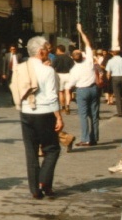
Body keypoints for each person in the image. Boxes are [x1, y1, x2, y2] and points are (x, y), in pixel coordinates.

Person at [12, 35, 63, 199]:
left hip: (26, 112)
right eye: (47, 49)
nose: (49, 51)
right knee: (52, 149)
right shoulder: (47, 70)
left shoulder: (20, 67)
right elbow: (52, 96)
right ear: (41, 52)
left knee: (31, 151)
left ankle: (35, 189)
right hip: (44, 113)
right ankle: (44, 181)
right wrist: (59, 117)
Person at [71, 23, 101, 147]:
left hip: (82, 91)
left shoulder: (73, 70)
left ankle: (85, 138)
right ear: (81, 56)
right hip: (93, 88)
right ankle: (94, 138)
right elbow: (88, 44)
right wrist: (81, 31)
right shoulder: (88, 61)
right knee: (94, 114)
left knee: (83, 116)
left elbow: (70, 84)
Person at [105, 47, 122, 117]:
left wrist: (108, 80)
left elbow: (108, 72)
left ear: (112, 53)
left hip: (115, 77)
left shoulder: (110, 61)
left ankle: (120, 112)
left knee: (117, 95)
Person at [52, 45, 74, 113]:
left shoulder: (56, 58)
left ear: (58, 50)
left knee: (61, 92)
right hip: (68, 75)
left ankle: (63, 107)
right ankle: (68, 105)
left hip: (59, 75)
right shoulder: (69, 58)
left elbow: (53, 67)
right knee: (67, 91)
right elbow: (73, 68)